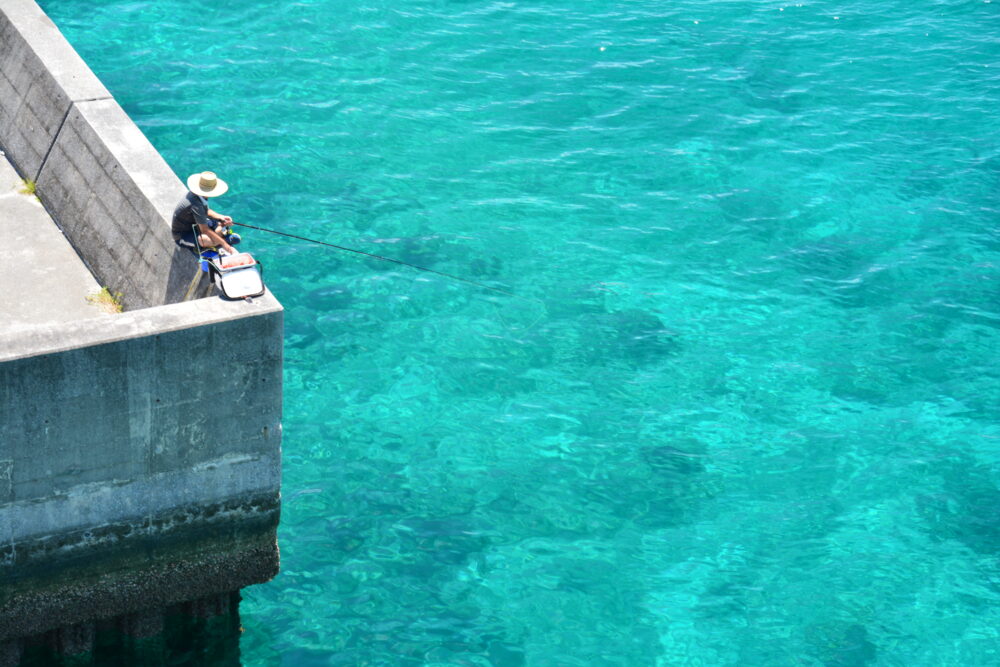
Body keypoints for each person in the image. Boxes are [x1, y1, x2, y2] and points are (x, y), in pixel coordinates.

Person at [172, 171, 241, 255]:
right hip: (182, 235)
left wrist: (221, 217)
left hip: (195, 225)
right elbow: (204, 230)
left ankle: (219, 236)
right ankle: (222, 238)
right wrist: (224, 244)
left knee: (217, 222)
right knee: (203, 240)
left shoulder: (196, 195)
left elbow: (206, 211)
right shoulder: (196, 204)